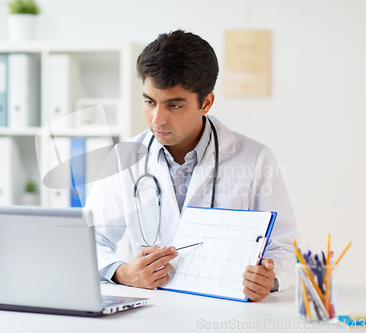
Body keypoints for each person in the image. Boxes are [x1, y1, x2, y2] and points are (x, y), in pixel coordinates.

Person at [85, 30, 296, 302]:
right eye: (149, 102)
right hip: (151, 310)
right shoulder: (124, 158)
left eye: (174, 105)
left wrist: (270, 278)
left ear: (205, 103)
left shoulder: (254, 158)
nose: (157, 120)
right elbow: (90, 240)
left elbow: (282, 248)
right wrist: (123, 273)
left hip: (225, 311)